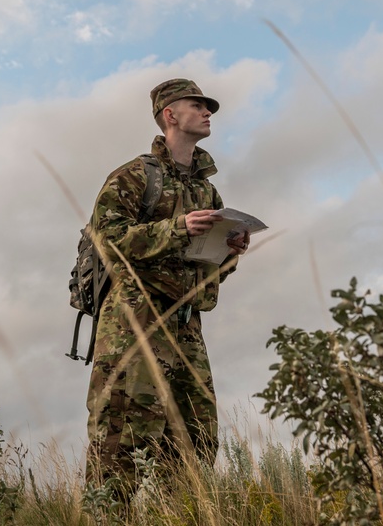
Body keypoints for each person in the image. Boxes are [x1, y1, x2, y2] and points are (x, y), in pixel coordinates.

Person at [84, 78, 249, 495]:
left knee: (194, 439)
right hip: (134, 322)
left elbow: (203, 268)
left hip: (186, 326)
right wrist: (177, 228)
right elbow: (107, 239)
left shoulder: (206, 189)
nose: (208, 111)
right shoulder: (134, 176)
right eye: (197, 105)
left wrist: (229, 252)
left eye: (208, 106)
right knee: (122, 437)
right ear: (169, 115)